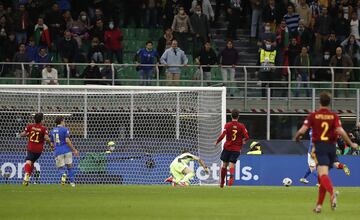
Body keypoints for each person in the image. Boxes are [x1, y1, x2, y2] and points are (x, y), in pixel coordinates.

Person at [294, 92, 359, 213]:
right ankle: (319, 206)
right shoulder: (334, 116)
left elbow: (302, 131)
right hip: (331, 148)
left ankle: (332, 192)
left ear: (320, 102)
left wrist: (297, 137)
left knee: (322, 175)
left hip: (320, 148)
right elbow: (341, 131)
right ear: (329, 103)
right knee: (322, 176)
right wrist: (351, 143)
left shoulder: (314, 115)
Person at [215, 109, 249, 187]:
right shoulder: (241, 126)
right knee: (231, 164)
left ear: (231, 116)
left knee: (224, 165)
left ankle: (222, 181)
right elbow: (247, 137)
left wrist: (217, 142)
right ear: (238, 117)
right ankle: (231, 175)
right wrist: (243, 141)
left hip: (227, 147)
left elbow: (223, 135)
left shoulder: (227, 125)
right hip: (236, 149)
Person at [19, 113, 52, 186]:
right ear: (42, 120)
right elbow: (46, 138)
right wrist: (51, 144)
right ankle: (27, 180)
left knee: (28, 162)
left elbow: (24, 134)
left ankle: (26, 174)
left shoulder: (30, 126)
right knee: (32, 163)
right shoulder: (44, 128)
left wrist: (19, 135)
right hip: (39, 151)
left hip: (31, 148)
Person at [50, 116, 79, 187]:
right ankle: (72, 183)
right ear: (62, 121)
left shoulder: (52, 131)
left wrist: (53, 148)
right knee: (70, 166)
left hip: (58, 151)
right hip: (67, 150)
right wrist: (74, 150)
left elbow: (51, 143)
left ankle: (63, 174)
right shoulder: (65, 129)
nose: (64, 122)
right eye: (64, 121)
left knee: (60, 167)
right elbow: (67, 140)